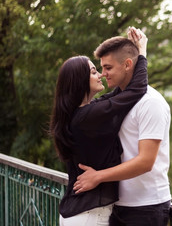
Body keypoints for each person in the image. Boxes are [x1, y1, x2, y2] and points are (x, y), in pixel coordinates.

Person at [50, 28, 148, 226]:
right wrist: (143, 52)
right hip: (89, 217)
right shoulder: (89, 116)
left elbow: (123, 93)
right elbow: (137, 89)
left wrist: (133, 57)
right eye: (94, 71)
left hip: (79, 214)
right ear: (80, 81)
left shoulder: (82, 112)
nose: (101, 75)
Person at [73, 29, 172, 226]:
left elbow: (145, 161)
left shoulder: (151, 103)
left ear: (127, 65)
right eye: (101, 68)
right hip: (117, 205)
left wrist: (98, 177)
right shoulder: (118, 101)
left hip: (146, 207)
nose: (103, 74)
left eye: (108, 67)